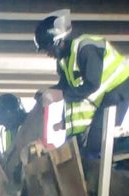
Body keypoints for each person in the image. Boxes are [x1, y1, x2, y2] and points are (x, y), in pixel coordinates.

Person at [34, 11, 129, 155]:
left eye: (48, 49)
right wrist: (48, 92)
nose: (48, 54)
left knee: (96, 143)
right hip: (105, 96)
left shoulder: (86, 48)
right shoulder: (63, 60)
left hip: (119, 89)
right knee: (78, 149)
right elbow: (65, 87)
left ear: (59, 41)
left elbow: (92, 85)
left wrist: (60, 94)